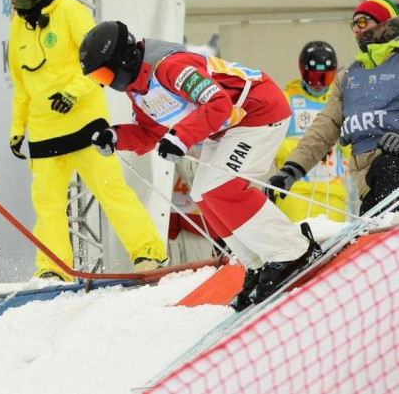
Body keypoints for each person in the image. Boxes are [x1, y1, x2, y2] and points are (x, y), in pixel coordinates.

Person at [79, 20, 319, 310]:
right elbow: (148, 132)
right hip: (226, 128)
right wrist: (115, 136)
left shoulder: (171, 67)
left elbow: (218, 103)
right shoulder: (137, 89)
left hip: (258, 110)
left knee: (223, 187)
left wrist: (180, 138)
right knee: (203, 195)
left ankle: (291, 250)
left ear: (124, 58)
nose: (107, 84)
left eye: (105, 75)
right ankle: (256, 260)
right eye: (98, 80)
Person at [0, 0, 167, 280]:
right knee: (47, 205)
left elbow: (102, 60)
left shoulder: (70, 11)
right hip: (43, 131)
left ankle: (148, 253)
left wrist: (72, 91)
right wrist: (17, 128)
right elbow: (21, 85)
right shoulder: (17, 25)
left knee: (111, 189)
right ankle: (53, 270)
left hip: (85, 123)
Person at [265, 0, 399, 216]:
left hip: (392, 168)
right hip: (367, 182)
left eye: (363, 23)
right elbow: (324, 128)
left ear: (385, 22)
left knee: (386, 170)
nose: (356, 29)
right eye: (353, 24)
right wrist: (291, 169)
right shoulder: (348, 77)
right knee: (372, 238)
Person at [271, 41, 350, 222]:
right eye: (313, 77)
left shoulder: (340, 99)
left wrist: (341, 142)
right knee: (296, 245)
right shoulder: (287, 100)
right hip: (294, 190)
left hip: (333, 191)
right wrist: (308, 148)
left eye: (325, 77)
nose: (318, 84)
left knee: (334, 247)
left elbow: (352, 148)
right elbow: (269, 143)